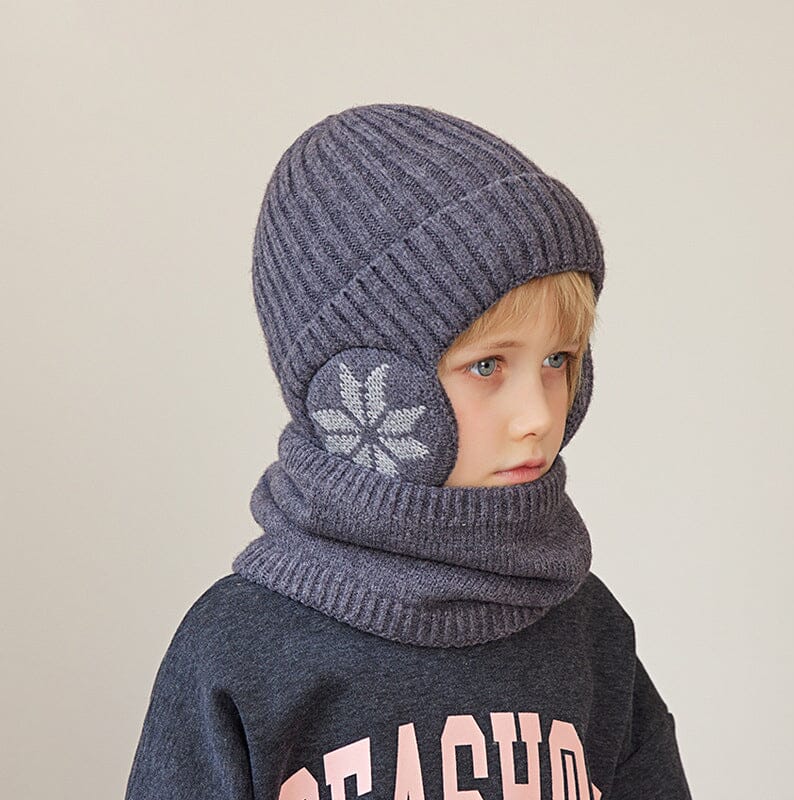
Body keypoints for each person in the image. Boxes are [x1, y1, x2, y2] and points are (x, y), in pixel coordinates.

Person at [125, 104, 692, 799]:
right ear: (359, 388)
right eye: (487, 366)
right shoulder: (241, 649)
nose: (540, 416)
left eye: (558, 360)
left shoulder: (589, 630)